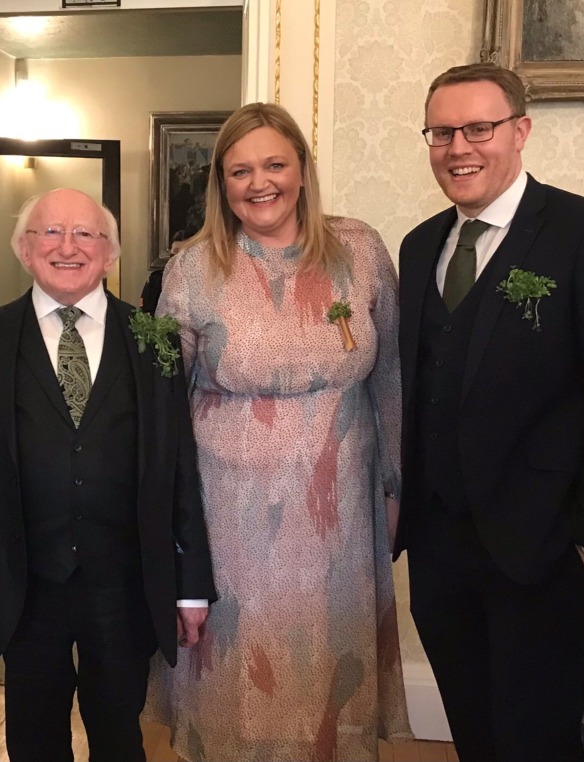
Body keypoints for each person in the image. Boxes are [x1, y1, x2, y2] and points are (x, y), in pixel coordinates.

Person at [145, 102, 411, 761]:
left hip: (341, 518)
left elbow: (393, 376)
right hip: (227, 521)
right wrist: (167, 527)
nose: (259, 183)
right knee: (241, 684)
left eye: (274, 165)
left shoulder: (360, 250)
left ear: (301, 170)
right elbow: (161, 409)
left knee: (326, 674)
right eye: (240, 170)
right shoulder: (187, 270)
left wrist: (396, 486)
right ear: (221, 183)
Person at [396, 62, 584, 762]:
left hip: (545, 553)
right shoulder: (419, 246)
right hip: (439, 552)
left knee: (538, 740)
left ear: (520, 131)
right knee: (474, 730)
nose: (458, 147)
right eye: (442, 132)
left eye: (478, 128)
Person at [0, 187, 216, 762]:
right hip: (26, 582)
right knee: (33, 735)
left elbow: (178, 468)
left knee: (120, 733)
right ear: (24, 248)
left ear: (110, 254)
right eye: (50, 232)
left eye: (86, 234)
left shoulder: (154, 339)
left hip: (122, 582)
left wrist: (191, 582)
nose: (68, 246)